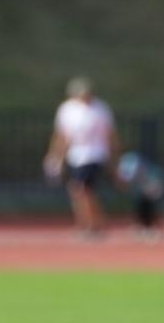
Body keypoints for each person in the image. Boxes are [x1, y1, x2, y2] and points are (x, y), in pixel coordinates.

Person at [44, 76, 118, 237]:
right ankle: (90, 223)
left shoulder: (100, 109)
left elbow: (110, 135)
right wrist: (56, 156)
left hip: (95, 155)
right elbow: (62, 136)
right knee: (81, 191)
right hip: (76, 156)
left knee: (81, 188)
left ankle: (93, 223)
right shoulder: (67, 109)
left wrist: (114, 160)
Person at [116, 150, 164, 240]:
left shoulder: (132, 162)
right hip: (142, 185)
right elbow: (125, 179)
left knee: (148, 202)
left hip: (151, 183)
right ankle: (143, 225)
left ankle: (150, 226)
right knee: (141, 203)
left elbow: (127, 178)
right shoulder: (125, 162)